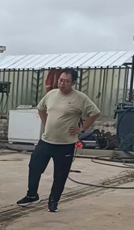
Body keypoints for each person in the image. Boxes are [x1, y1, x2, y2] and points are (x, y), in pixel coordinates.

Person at [16, 68, 100, 212]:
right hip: (46, 141)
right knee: (34, 167)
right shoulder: (51, 94)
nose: (62, 83)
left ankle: (54, 201)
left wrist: (82, 129)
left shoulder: (80, 98)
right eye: (60, 80)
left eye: (66, 81)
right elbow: (41, 108)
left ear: (73, 83)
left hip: (65, 144)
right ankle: (32, 195)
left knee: (60, 175)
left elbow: (95, 113)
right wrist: (46, 123)